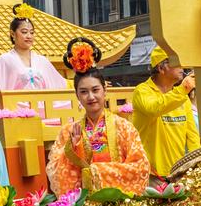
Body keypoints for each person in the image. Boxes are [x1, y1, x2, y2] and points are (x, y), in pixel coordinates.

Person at [46, 37, 150, 194]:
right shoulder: (68, 132)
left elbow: (140, 167)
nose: (90, 97)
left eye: (95, 90)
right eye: (83, 92)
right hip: (85, 205)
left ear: (105, 90)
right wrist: (72, 149)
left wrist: (98, 171)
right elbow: (56, 172)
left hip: (118, 203)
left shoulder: (124, 127)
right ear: (77, 95)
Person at [131, 47, 200, 181]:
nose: (182, 68)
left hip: (179, 172)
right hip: (150, 174)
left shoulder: (183, 98)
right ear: (161, 68)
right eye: (176, 63)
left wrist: (197, 166)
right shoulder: (142, 91)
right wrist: (183, 89)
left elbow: (192, 137)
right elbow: (154, 108)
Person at [0, 5, 67, 91]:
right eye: (24, 32)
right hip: (14, 103)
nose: (29, 36)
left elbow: (60, 84)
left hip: (41, 103)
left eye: (31, 33)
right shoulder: (5, 60)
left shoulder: (42, 61)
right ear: (13, 34)